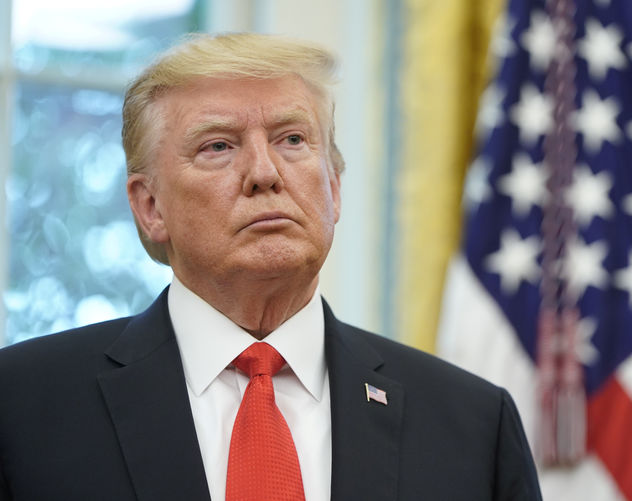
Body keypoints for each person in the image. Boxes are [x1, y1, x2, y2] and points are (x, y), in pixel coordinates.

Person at [0, 33, 542, 501]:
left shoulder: (472, 425)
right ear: (150, 207)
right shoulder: (21, 407)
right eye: (217, 146)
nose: (264, 173)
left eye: (292, 139)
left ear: (333, 187)